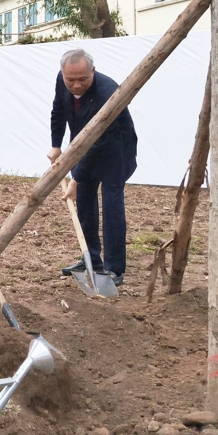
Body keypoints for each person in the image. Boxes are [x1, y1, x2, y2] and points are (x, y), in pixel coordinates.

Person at [48, 49, 137, 287]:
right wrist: (56, 145)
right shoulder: (62, 80)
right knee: (85, 204)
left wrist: (75, 178)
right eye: (70, 80)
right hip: (83, 145)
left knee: (111, 207)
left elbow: (100, 141)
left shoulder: (108, 92)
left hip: (114, 149)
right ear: (63, 74)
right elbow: (58, 110)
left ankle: (114, 268)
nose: (76, 85)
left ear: (93, 72)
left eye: (82, 79)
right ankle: (92, 259)